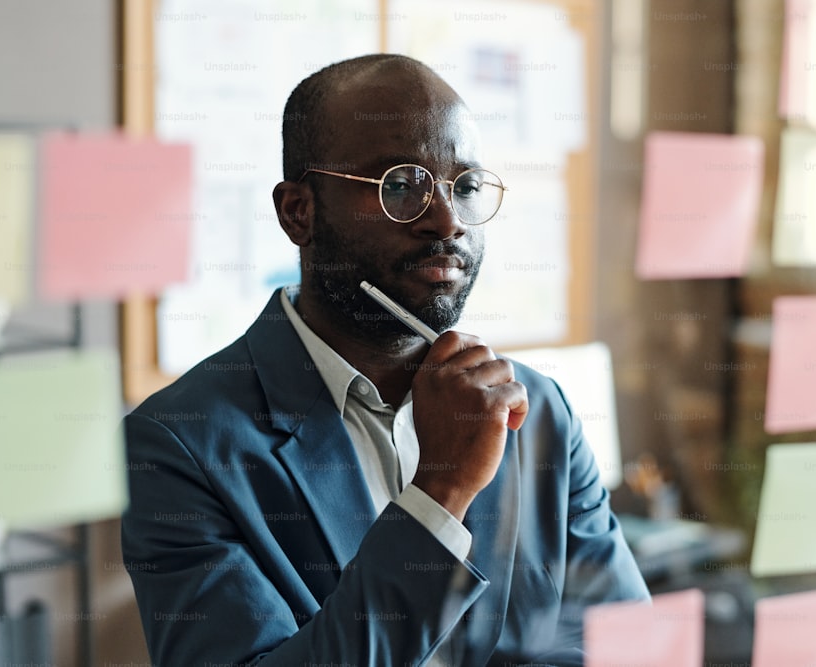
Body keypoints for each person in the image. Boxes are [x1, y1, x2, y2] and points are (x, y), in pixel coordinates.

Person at [121, 53, 649, 667]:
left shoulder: (539, 412)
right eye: (401, 186)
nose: (448, 221)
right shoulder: (177, 445)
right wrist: (442, 491)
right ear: (299, 212)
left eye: (467, 186)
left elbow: (622, 644)